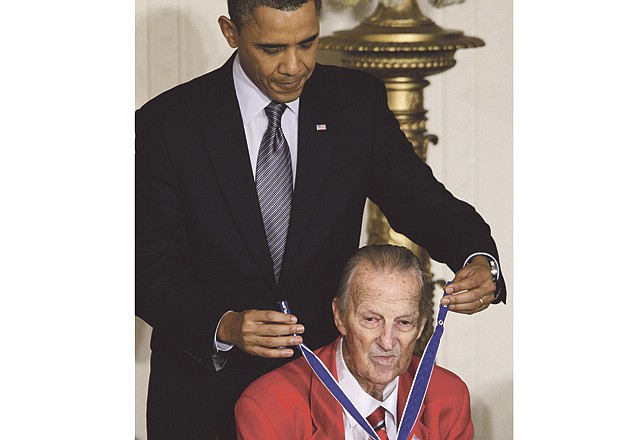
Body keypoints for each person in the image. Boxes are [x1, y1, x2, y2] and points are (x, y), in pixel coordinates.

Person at [135, 0, 506, 437]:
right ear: (231, 33)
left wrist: (479, 257)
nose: (294, 66)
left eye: (307, 43)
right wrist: (224, 324)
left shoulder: (354, 103)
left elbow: (420, 199)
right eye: (272, 49)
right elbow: (145, 269)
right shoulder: (167, 124)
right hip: (203, 398)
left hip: (321, 397)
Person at [235, 244, 474, 439]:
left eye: (404, 323)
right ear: (340, 316)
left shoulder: (449, 397)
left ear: (421, 325)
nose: (388, 342)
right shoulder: (267, 407)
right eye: (371, 319)